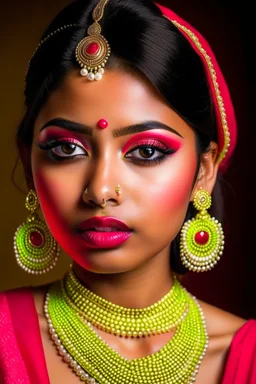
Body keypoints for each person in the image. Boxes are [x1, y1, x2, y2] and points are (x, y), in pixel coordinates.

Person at [0, 0, 255, 383]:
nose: (100, 191)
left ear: (204, 170)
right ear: (30, 160)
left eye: (147, 152)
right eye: (67, 149)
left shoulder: (246, 357)